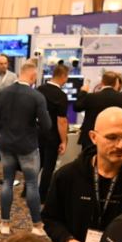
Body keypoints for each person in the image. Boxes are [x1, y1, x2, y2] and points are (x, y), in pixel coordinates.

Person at [43, 107, 122, 242]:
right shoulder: (67, 176)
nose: (121, 145)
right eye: (112, 137)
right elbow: (50, 218)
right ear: (93, 137)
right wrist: (68, 241)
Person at [0, 60, 49, 236]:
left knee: (7, 182)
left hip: (6, 144)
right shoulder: (36, 96)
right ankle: (37, 226)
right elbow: (46, 125)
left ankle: (5, 224)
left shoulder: (1, 94)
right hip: (28, 146)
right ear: (32, 75)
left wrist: (4, 131)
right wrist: (33, 130)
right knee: (31, 184)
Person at [74, 71, 122, 164]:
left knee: (88, 165)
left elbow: (77, 107)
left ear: (102, 83)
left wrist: (83, 92)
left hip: (90, 141)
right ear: (116, 83)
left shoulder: (91, 97)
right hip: (117, 141)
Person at [37, 63, 71, 200]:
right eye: (67, 77)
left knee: (37, 163)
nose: (67, 80)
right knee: (48, 166)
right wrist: (64, 141)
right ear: (62, 76)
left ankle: (27, 190)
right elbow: (61, 121)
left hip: (38, 132)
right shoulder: (61, 95)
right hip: (52, 135)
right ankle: (42, 195)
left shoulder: (39, 89)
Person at [0, 55, 19, 162]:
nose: (3, 65)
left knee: (9, 132)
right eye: (1, 63)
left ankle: (9, 153)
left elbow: (16, 91)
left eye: (5, 63)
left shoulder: (13, 76)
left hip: (9, 108)